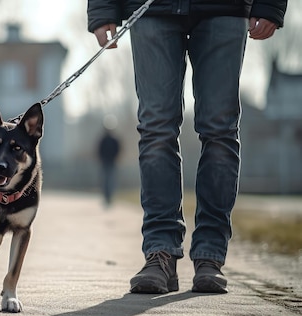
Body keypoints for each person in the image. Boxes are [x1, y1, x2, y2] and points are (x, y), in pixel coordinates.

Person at [87, 0, 287, 294]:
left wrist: (270, 5)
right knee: (156, 129)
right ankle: (160, 253)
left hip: (225, 9)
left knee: (220, 129)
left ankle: (210, 255)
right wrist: (103, 10)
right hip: (151, 8)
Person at [97, 127, 121, 207]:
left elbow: (118, 150)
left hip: (111, 162)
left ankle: (109, 196)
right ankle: (106, 196)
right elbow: (99, 151)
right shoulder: (103, 140)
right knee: (106, 180)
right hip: (105, 163)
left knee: (110, 180)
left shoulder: (113, 140)